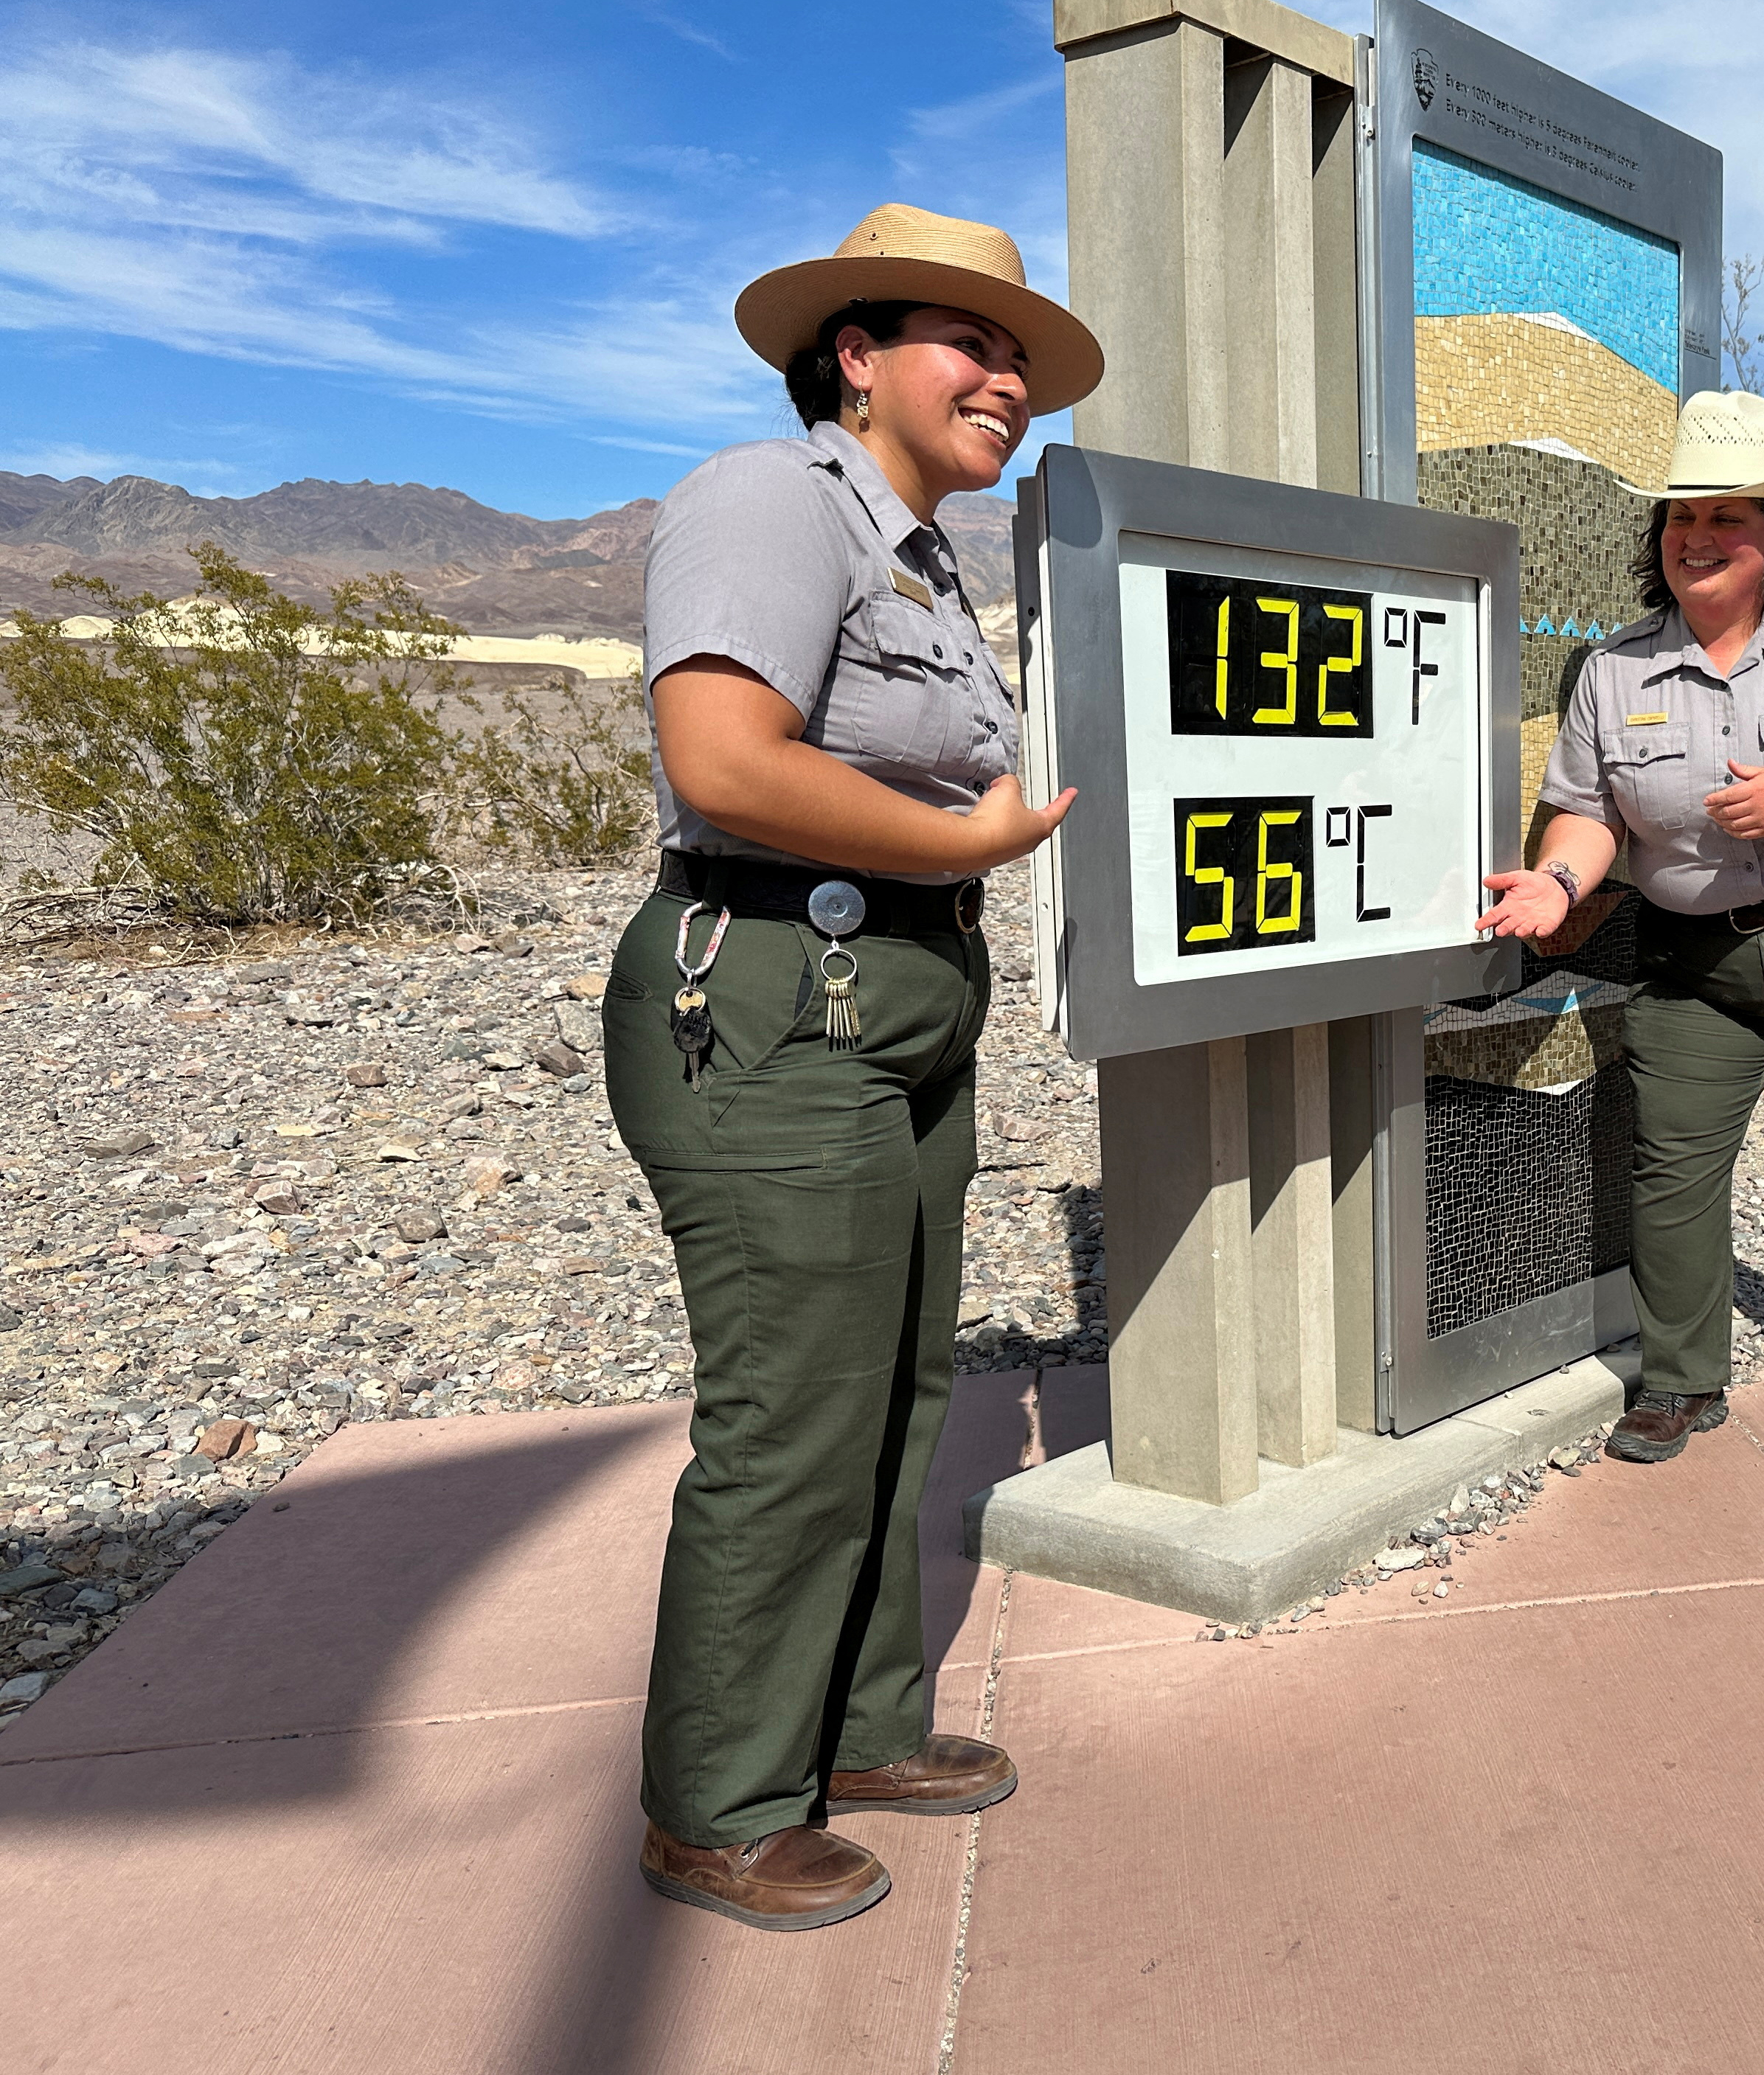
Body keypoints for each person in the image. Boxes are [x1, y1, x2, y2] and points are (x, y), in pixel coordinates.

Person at [602, 204, 1099, 1930]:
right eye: (973, 344)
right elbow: (725, 760)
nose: (1007, 378)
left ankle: (861, 1728)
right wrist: (967, 849)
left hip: (898, 1000)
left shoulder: (930, 562)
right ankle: (722, 1804)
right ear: (857, 357)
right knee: (795, 1408)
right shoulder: (768, 499)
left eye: (1020, 355)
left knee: (894, 1386)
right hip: (769, 997)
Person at [1480, 391, 1764, 1464]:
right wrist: (1558, 883)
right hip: (1698, 968)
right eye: (1681, 517)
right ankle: (1682, 1381)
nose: (1697, 537)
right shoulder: (1613, 671)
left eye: (1727, 517)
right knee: (1672, 1169)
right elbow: (1589, 811)